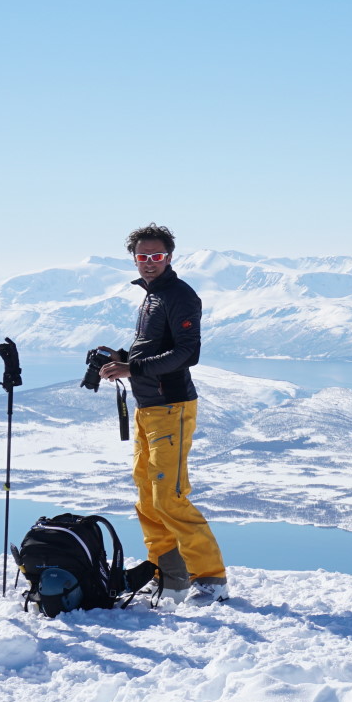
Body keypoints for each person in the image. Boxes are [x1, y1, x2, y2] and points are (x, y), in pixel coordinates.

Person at [98, 223, 228, 606]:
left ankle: (211, 580)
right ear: (134, 259)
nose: (149, 262)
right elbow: (156, 349)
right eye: (143, 256)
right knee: (148, 498)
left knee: (169, 498)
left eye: (157, 256)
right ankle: (169, 578)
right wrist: (123, 359)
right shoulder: (152, 296)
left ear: (169, 257)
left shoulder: (179, 296)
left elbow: (188, 353)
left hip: (172, 407)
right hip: (148, 409)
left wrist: (132, 368)